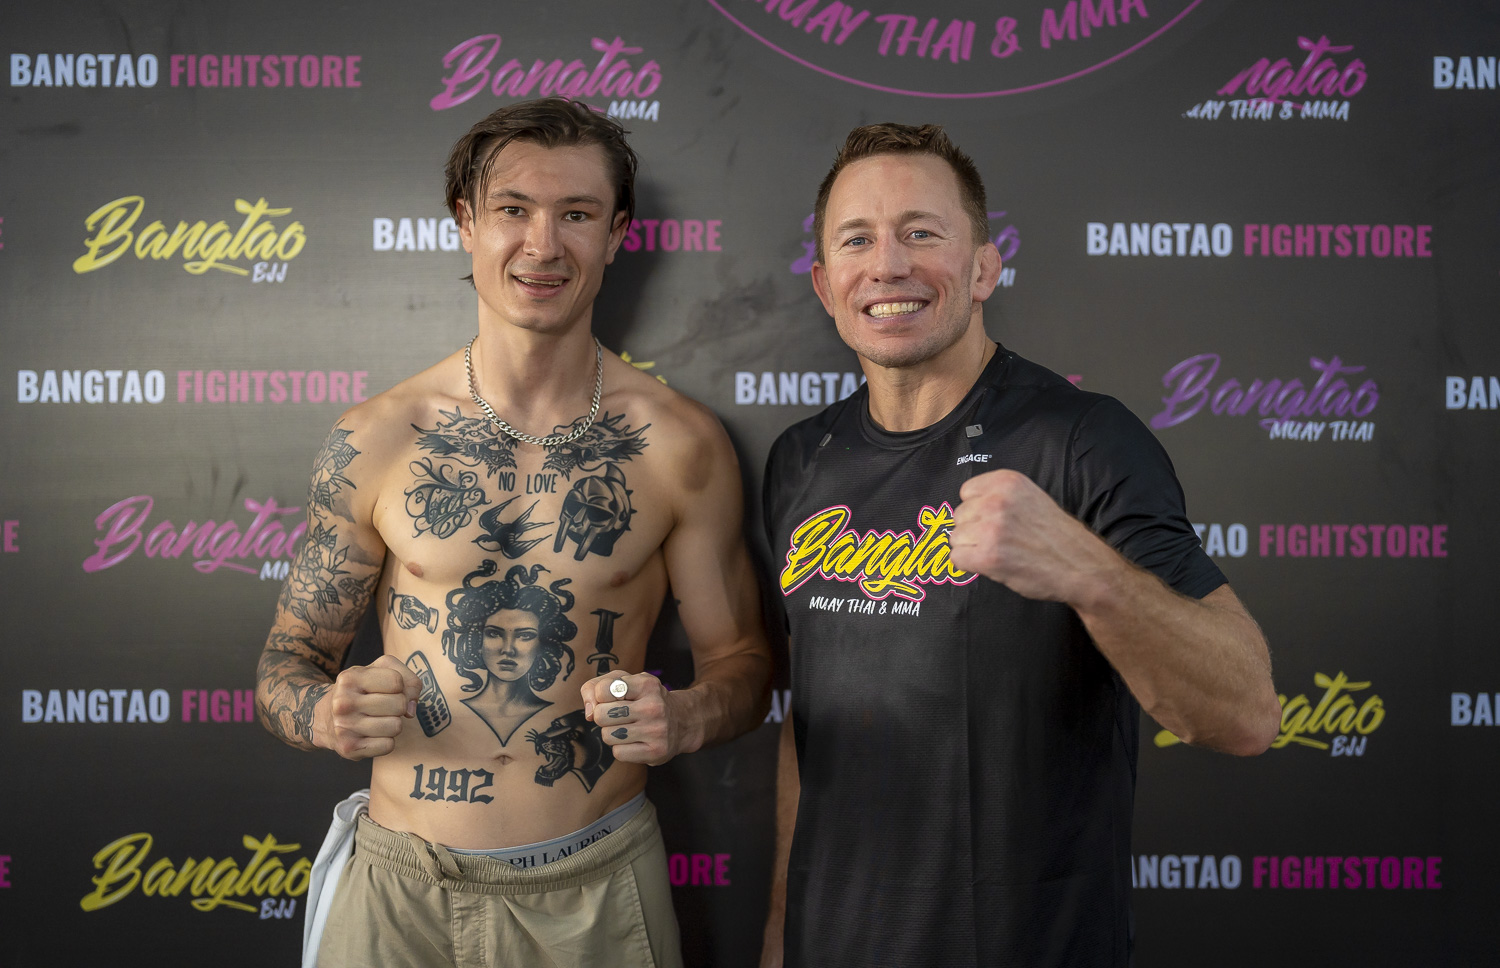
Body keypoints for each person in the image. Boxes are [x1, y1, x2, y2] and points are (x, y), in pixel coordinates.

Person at [255, 96, 771, 968]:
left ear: (617, 234)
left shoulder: (679, 445)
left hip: (596, 888)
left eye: (577, 214)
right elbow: (286, 662)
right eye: (513, 210)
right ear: (466, 223)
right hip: (397, 894)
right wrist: (324, 712)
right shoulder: (377, 438)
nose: (543, 245)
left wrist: (685, 717)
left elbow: (746, 665)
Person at [758, 123, 1282, 968]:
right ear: (824, 284)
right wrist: (782, 932)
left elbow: (1246, 714)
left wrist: (1089, 573)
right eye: (857, 240)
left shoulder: (1083, 441)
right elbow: (808, 728)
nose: (887, 264)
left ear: (983, 269)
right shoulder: (799, 459)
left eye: (921, 233)